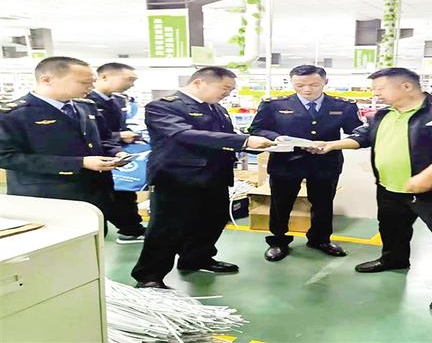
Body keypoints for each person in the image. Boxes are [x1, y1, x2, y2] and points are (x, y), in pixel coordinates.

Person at [315, 67, 432, 311]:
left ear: (406, 86)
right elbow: (362, 137)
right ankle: (394, 259)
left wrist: (427, 175)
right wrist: (330, 145)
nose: (376, 94)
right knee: (392, 229)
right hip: (390, 186)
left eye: (380, 88)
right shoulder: (383, 114)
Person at [131, 67, 274, 289]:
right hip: (177, 177)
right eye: (224, 88)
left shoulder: (217, 108)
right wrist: (244, 141)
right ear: (199, 82)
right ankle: (149, 275)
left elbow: (226, 139)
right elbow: (184, 135)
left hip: (215, 176)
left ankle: (197, 259)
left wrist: (265, 144)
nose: (227, 93)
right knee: (168, 227)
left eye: (231, 90)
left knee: (212, 220)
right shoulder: (163, 106)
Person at [248, 65, 363, 262]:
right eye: (299, 85)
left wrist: (334, 144)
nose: (307, 89)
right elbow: (256, 129)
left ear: (325, 82)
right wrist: (276, 137)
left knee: (323, 203)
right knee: (281, 203)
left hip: (325, 162)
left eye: (314, 84)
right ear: (291, 83)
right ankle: (278, 241)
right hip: (286, 162)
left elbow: (357, 132)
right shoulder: (273, 105)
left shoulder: (344, 106)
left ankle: (320, 239)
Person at [0, 57, 127, 234]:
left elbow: (103, 138)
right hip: (48, 199)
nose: (91, 87)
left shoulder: (86, 107)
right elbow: (6, 157)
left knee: (94, 245)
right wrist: (79, 163)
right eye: (83, 82)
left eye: (92, 82)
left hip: (94, 195)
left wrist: (116, 152)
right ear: (47, 80)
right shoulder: (12, 114)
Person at [89, 62, 146, 244]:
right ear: (104, 77)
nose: (132, 84)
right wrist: (119, 136)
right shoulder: (85, 102)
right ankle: (129, 229)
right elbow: (88, 134)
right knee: (108, 196)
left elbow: (110, 130)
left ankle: (132, 229)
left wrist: (126, 136)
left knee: (125, 192)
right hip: (94, 159)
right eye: (129, 79)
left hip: (115, 153)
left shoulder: (117, 101)